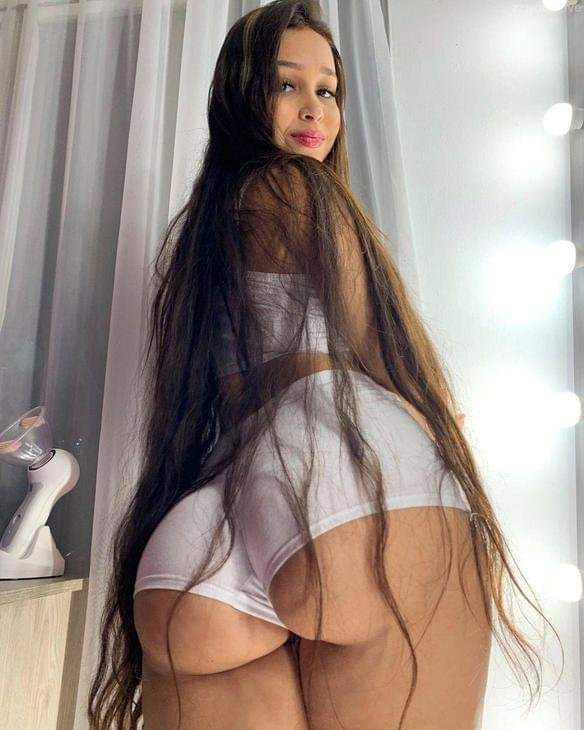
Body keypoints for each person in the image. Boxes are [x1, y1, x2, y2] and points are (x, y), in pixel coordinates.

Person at [88, 2, 562, 729]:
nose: (314, 108)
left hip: (207, 530)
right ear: (240, 93)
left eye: (327, 89)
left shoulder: (204, 229)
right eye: (286, 85)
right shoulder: (300, 187)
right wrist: (438, 421)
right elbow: (380, 347)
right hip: (342, 480)